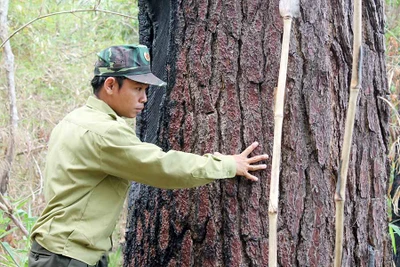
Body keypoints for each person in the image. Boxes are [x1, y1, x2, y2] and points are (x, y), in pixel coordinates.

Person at [28, 44, 269, 267]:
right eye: (137, 88)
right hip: (67, 257)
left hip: (61, 251)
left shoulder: (74, 119)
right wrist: (226, 164)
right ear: (110, 85)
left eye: (145, 90)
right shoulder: (105, 131)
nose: (144, 98)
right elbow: (162, 167)